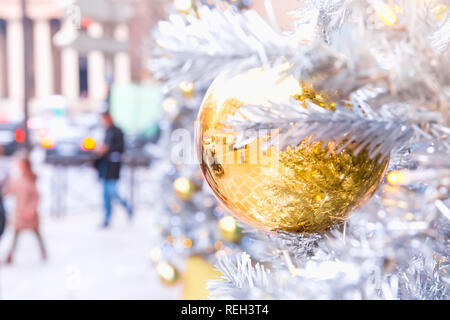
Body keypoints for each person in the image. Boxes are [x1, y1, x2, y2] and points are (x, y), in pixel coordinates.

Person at [3, 155, 47, 264]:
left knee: (36, 233)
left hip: (29, 213)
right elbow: (7, 190)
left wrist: (31, 209)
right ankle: (10, 256)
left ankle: (43, 252)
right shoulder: (17, 179)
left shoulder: (31, 179)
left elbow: (36, 196)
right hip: (20, 212)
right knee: (16, 235)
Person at [95, 111, 132, 228]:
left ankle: (127, 207)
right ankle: (107, 219)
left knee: (112, 192)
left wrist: (107, 149)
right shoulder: (107, 131)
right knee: (105, 194)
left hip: (113, 167)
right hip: (105, 167)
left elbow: (119, 148)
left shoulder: (117, 131)